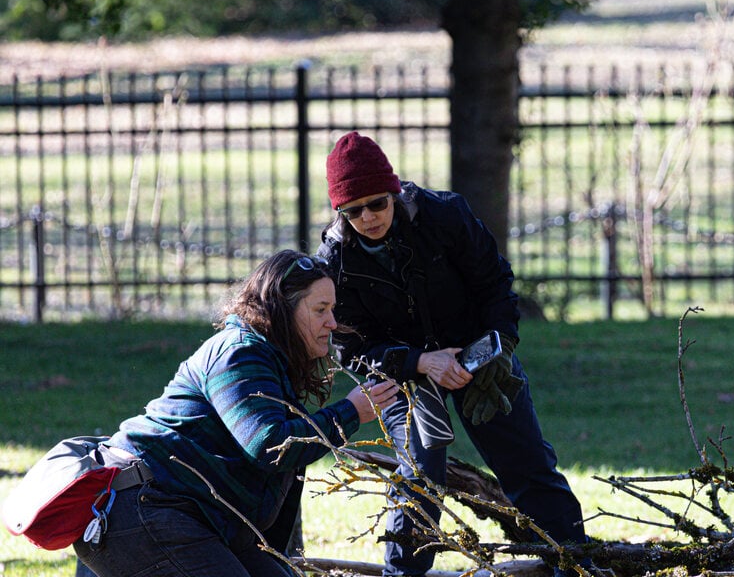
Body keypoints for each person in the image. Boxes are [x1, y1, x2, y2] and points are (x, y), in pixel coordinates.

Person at [316, 131, 588, 575]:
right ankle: (403, 574)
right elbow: (349, 346)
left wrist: (495, 349)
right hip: (403, 372)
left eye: (377, 203)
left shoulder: (444, 216)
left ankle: (575, 565)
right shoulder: (335, 261)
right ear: (340, 213)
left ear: (394, 191)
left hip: (475, 354)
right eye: (353, 210)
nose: (368, 217)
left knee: (528, 464)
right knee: (418, 479)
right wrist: (419, 363)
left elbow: (495, 285)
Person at [71, 249, 400, 577]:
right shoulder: (240, 352)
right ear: (282, 310)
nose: (332, 322)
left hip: (192, 515)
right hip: (140, 509)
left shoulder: (269, 358)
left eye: (332, 309)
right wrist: (351, 411)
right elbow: (271, 445)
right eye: (320, 310)